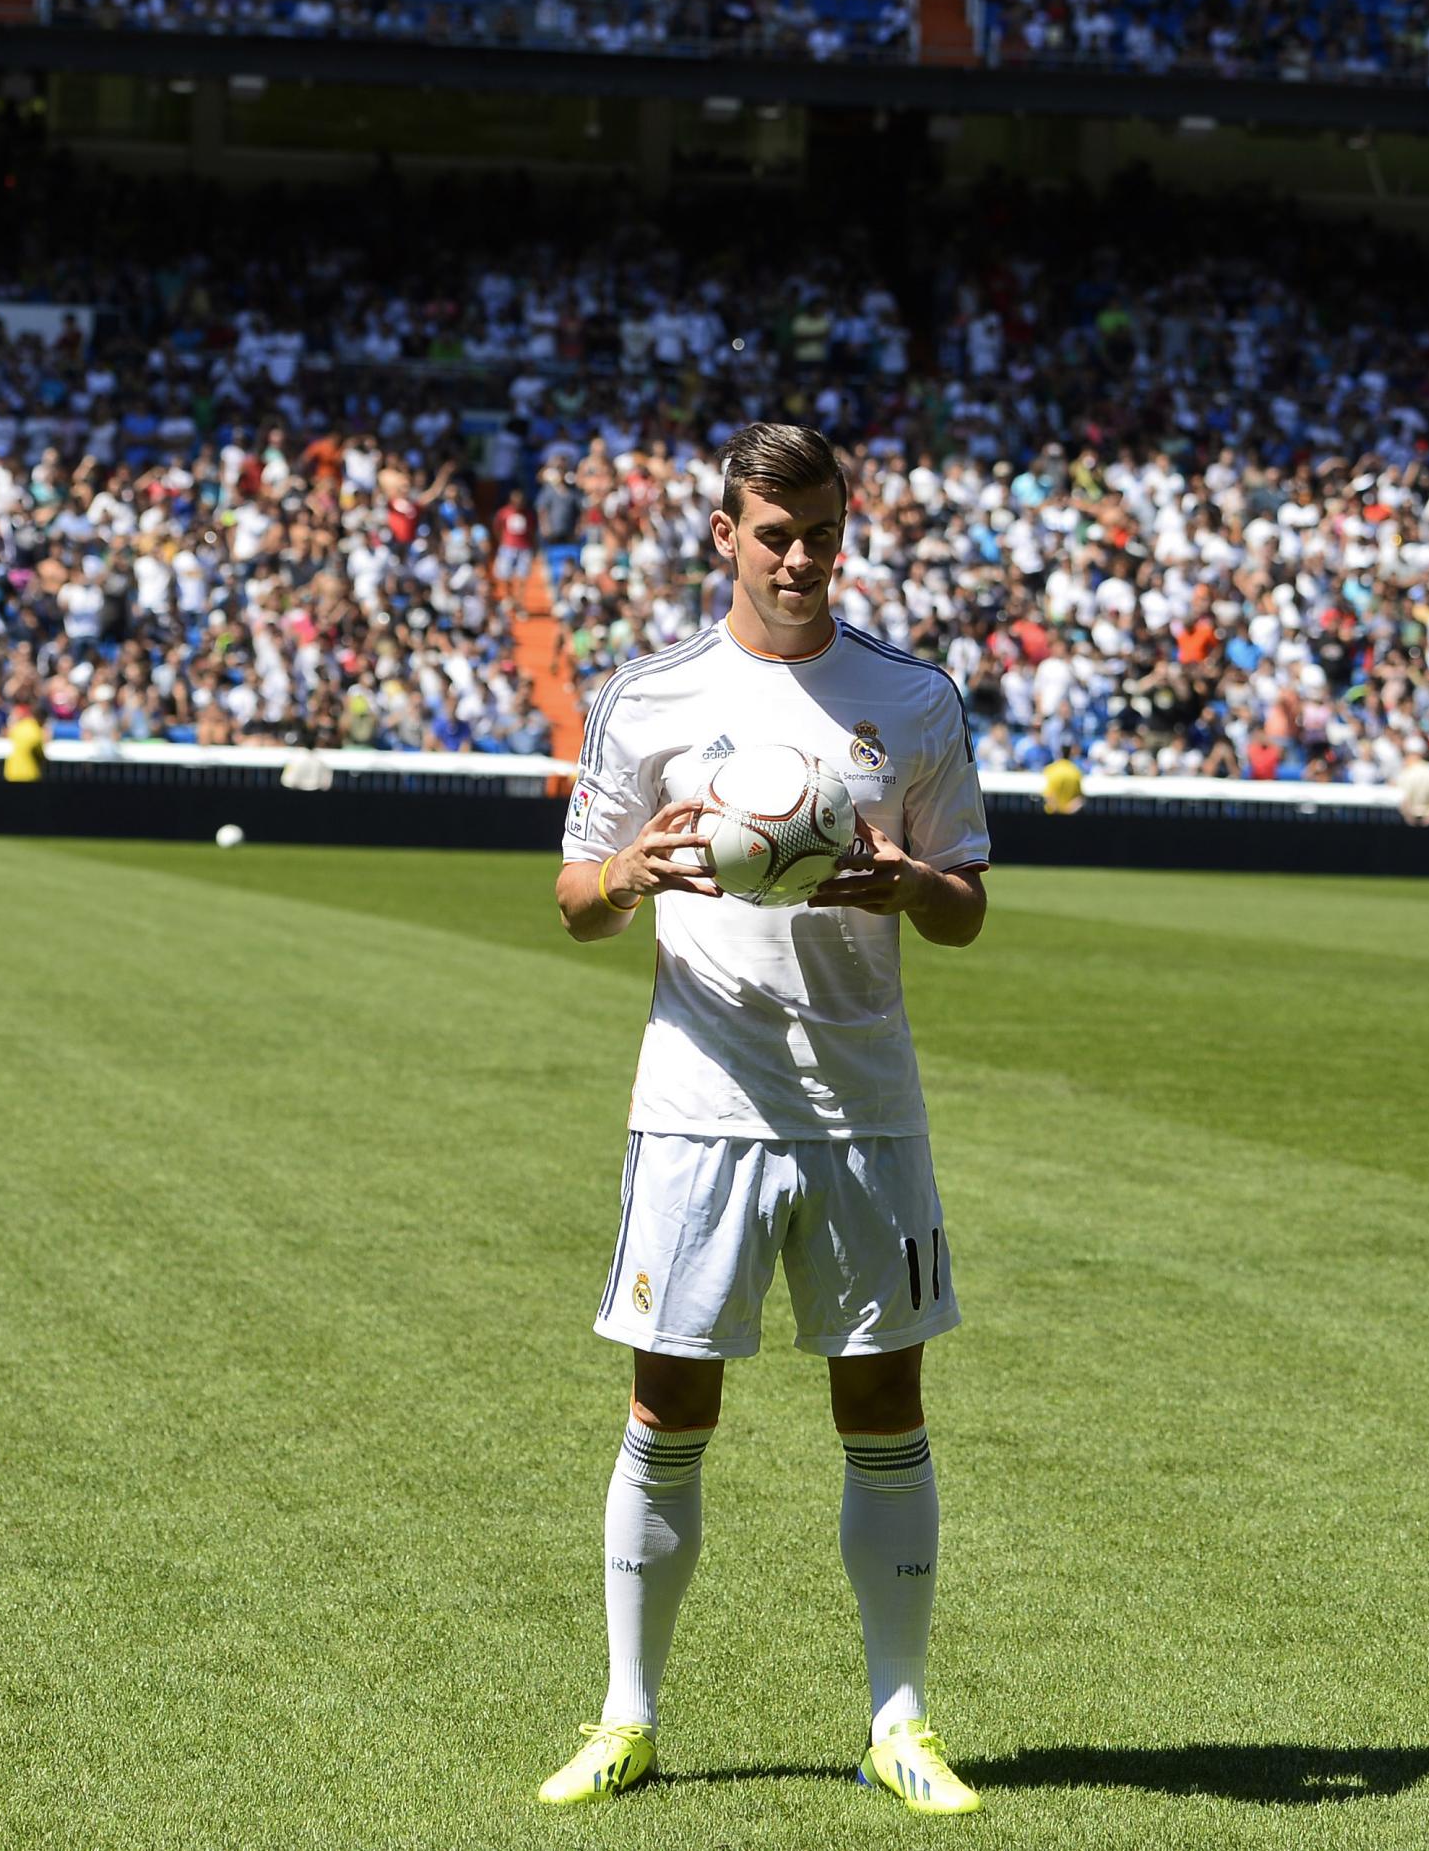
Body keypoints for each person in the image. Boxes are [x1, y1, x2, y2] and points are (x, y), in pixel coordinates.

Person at [543, 421, 992, 1815]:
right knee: (669, 1399)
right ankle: (627, 1714)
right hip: (697, 1106)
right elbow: (573, 900)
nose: (799, 559)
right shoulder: (649, 697)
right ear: (724, 537)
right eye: (773, 534)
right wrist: (629, 868)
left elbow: (970, 905)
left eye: (820, 535)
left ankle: (900, 1717)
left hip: (866, 1106)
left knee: (885, 1401)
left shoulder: (913, 702)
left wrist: (916, 881)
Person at [3, 700, 48, 782]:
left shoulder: (19, 726)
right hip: (29, 775)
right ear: (42, 719)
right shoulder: (36, 730)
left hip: (11, 773)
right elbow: (40, 753)